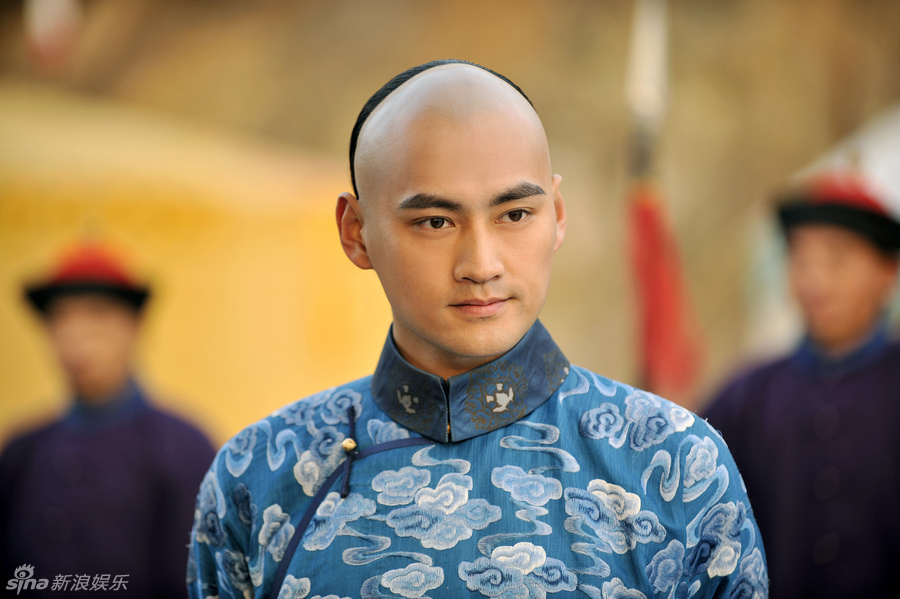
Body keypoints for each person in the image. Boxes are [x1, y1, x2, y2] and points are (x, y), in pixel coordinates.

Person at [188, 59, 768, 599]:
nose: (482, 264)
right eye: (435, 222)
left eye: (515, 214)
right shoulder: (259, 478)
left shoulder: (674, 468)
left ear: (557, 216)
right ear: (356, 232)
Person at [703, 170, 900, 598]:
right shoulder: (748, 395)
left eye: (837, 260)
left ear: (888, 271)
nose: (815, 280)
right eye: (801, 259)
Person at [0, 242, 216, 598]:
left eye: (97, 314)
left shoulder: (182, 447)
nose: (76, 335)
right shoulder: (22, 453)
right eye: (60, 317)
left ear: (134, 325)